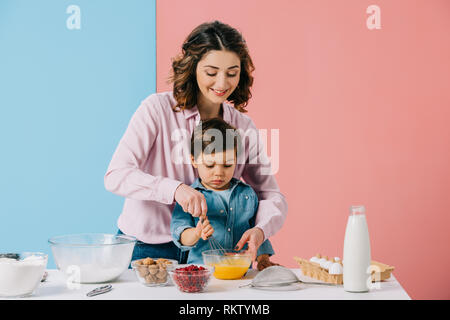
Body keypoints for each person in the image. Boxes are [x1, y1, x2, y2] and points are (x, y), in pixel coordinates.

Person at [104, 20, 288, 264]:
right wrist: (174, 189)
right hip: (148, 249)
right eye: (211, 73)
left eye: (232, 73)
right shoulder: (156, 110)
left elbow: (270, 194)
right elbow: (116, 175)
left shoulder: (243, 128)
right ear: (192, 68)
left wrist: (261, 230)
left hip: (212, 254)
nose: (222, 84)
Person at [171, 118, 279, 270]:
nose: (219, 173)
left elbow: (256, 230)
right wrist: (196, 233)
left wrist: (263, 259)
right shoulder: (189, 198)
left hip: (240, 274)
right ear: (194, 160)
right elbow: (180, 235)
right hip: (203, 275)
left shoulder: (247, 194)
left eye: (227, 164)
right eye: (210, 165)